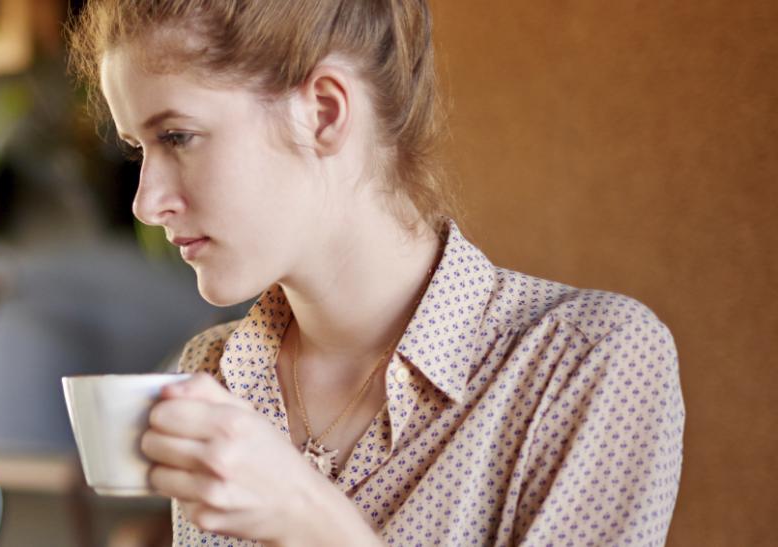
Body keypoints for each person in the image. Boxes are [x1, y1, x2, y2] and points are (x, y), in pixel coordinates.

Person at [68, 0, 685, 545]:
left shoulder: (585, 361)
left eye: (178, 136)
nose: (146, 204)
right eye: (138, 148)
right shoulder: (213, 372)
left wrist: (306, 516)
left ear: (325, 112)